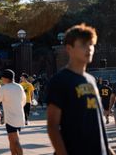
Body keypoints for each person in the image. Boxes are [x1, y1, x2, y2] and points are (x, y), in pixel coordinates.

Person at [46, 23, 115, 155]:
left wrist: (109, 151)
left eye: (91, 44)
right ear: (69, 48)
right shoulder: (60, 81)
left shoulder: (91, 80)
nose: (89, 49)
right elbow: (52, 126)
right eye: (83, 44)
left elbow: (97, 123)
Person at [0, 69, 26, 155]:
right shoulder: (19, 86)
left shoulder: (4, 88)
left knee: (15, 141)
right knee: (11, 139)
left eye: (2, 78)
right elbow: (23, 101)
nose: (1, 79)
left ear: (5, 78)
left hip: (10, 119)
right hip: (20, 116)